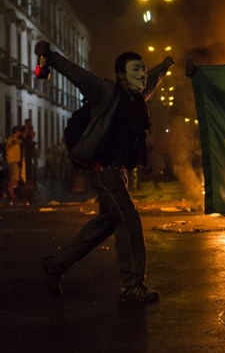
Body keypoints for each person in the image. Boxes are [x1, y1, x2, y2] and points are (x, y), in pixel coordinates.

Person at [36, 40, 174, 304]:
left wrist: (165, 66)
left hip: (117, 171)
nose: (141, 74)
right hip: (102, 170)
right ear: (121, 74)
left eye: (142, 69)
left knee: (105, 224)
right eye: (135, 70)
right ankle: (132, 285)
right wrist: (50, 56)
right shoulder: (105, 91)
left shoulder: (136, 98)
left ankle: (55, 265)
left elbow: (153, 79)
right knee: (129, 221)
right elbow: (77, 74)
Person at [5, 126, 24, 200]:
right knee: (15, 178)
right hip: (12, 160)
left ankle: (11, 193)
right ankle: (11, 193)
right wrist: (14, 143)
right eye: (19, 132)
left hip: (16, 160)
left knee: (15, 177)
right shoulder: (11, 139)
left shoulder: (17, 139)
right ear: (17, 132)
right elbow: (8, 147)